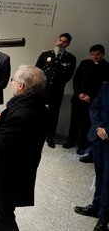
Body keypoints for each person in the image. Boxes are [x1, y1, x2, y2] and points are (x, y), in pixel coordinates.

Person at [0, 65, 49, 231]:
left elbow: (0, 144)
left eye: (13, 80)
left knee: (4, 215)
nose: (11, 83)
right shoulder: (36, 107)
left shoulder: (22, 112)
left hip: (9, 173)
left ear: (21, 86)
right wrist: (0, 122)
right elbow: (18, 137)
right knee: (2, 212)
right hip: (19, 170)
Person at [74, 82, 109, 231]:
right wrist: (98, 127)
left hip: (108, 137)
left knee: (108, 179)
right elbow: (95, 107)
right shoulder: (107, 86)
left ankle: (104, 218)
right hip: (98, 137)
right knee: (100, 175)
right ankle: (96, 207)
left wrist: (107, 131)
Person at [63, 44, 109, 158]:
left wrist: (91, 97)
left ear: (103, 54)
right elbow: (76, 79)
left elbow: (103, 87)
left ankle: (82, 145)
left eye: (98, 54)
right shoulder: (84, 63)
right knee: (74, 120)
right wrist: (79, 93)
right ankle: (70, 140)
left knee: (86, 123)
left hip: (93, 101)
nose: (95, 57)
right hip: (79, 97)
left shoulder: (107, 67)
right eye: (92, 54)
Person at [35, 33, 76, 148]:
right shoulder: (45, 54)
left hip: (57, 91)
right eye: (60, 40)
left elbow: (69, 75)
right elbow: (37, 70)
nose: (61, 43)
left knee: (53, 114)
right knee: (38, 111)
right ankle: (36, 133)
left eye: (64, 42)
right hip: (43, 89)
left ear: (68, 44)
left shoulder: (70, 58)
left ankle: (50, 136)